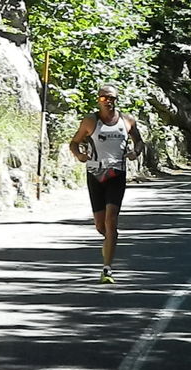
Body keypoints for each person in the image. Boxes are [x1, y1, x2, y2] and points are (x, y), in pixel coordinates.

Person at [69, 84, 145, 283]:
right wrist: (79, 155)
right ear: (98, 99)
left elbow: (139, 141)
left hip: (116, 175)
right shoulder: (90, 121)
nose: (108, 102)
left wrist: (135, 152)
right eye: (104, 98)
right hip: (95, 175)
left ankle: (107, 269)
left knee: (111, 221)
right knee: (101, 226)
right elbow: (74, 142)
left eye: (112, 98)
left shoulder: (126, 120)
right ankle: (109, 241)